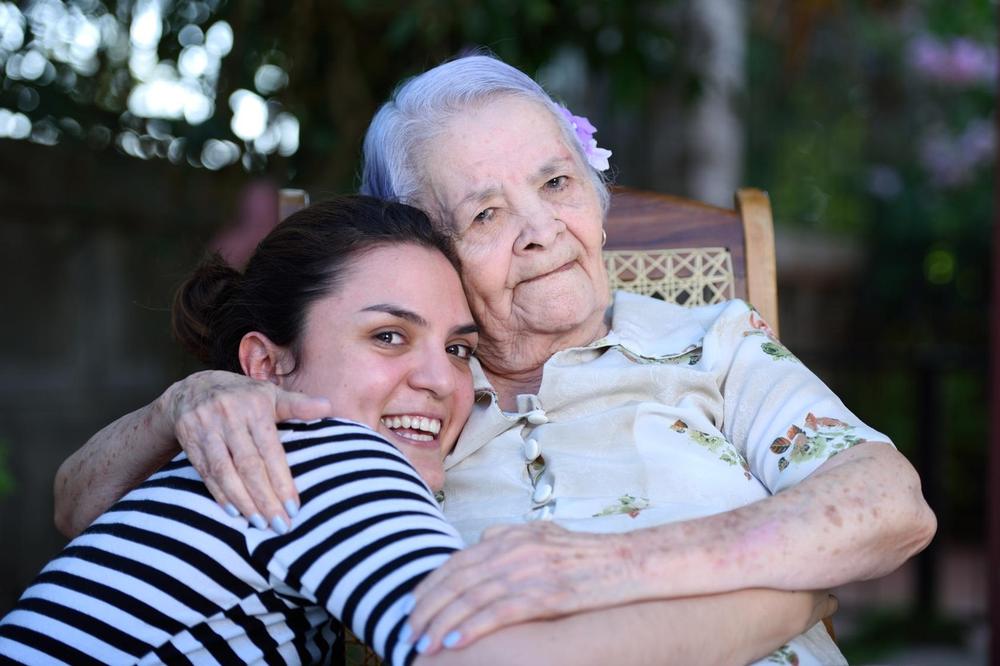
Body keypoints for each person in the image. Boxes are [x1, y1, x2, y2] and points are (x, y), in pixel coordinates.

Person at [54, 56, 935, 665]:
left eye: (556, 184)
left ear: (594, 200)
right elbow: (85, 511)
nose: (542, 230)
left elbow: (891, 506)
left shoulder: (712, 342)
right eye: (484, 214)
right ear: (424, 250)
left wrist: (620, 565)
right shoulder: (400, 405)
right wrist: (185, 403)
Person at [5, 196, 831, 666]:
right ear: (266, 365)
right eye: (388, 336)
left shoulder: (244, 457)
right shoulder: (328, 454)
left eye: (459, 347)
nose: (444, 380)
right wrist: (800, 593)